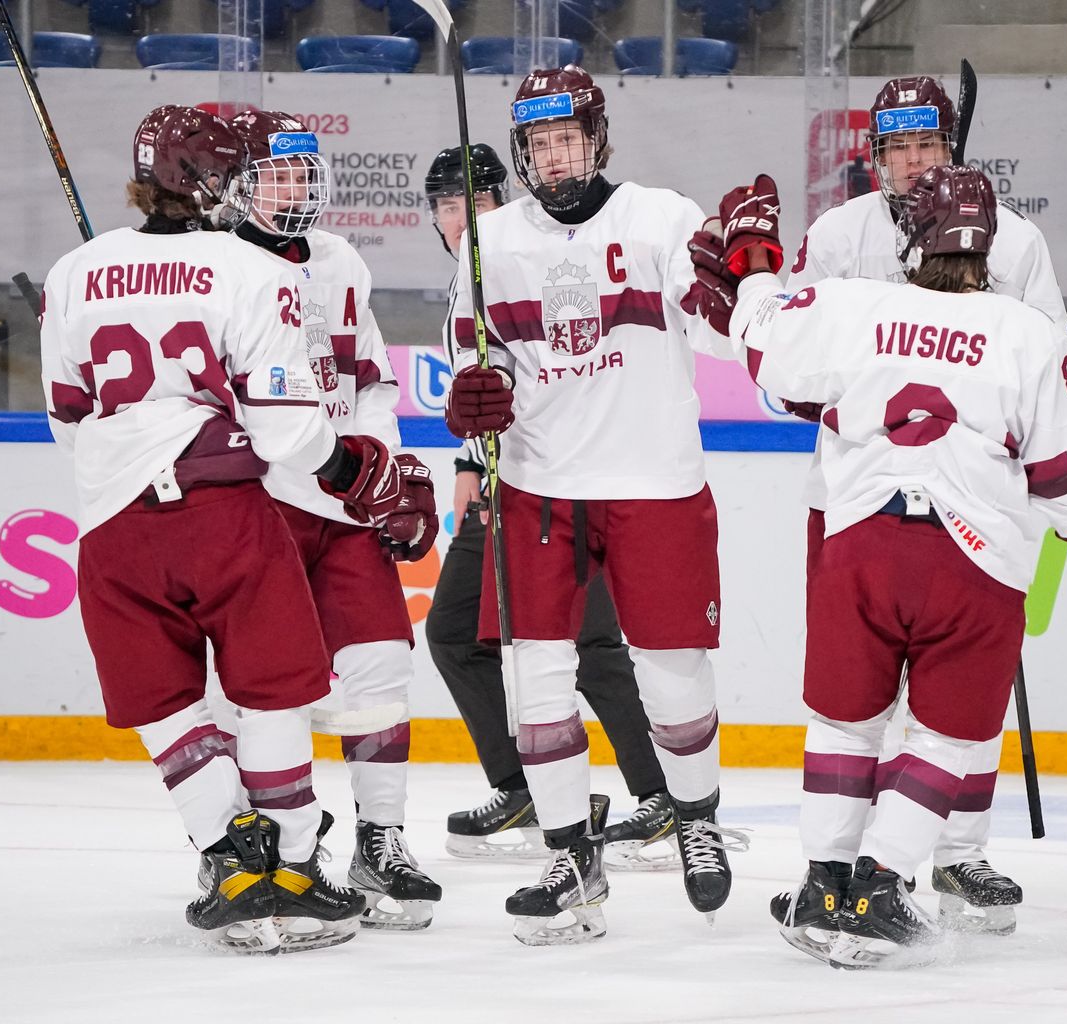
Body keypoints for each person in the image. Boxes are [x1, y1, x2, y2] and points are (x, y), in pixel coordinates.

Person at [687, 166, 1067, 968]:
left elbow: (764, 347)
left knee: (845, 722)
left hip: (860, 541)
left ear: (911, 239)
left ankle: (822, 880)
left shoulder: (856, 304)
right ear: (989, 245)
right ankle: (883, 880)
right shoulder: (1029, 333)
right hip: (974, 559)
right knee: (948, 735)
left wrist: (755, 267)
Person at [38, 106, 411, 952]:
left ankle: (226, 858)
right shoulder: (246, 267)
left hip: (109, 524)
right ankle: (291, 865)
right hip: (223, 513)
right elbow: (286, 430)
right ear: (202, 182)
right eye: (239, 170)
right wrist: (356, 472)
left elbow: (63, 416)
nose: (252, 184)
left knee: (166, 701)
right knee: (272, 686)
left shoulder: (73, 272)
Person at [443, 66, 748, 944]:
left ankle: (694, 818)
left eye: (568, 137)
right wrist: (477, 397)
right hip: (541, 486)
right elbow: (482, 357)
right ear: (522, 151)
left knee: (671, 671)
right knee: (533, 675)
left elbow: (724, 334)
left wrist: (748, 271)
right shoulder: (490, 241)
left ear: (598, 138)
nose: (554, 154)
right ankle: (573, 854)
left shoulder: (661, 217)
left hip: (655, 483)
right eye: (538, 142)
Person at [780, 75, 1067, 936]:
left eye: (929, 148)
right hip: (846, 499)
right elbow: (785, 378)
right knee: (856, 693)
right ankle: (853, 869)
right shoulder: (838, 235)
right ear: (873, 157)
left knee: (957, 695)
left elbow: (1051, 358)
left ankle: (957, 854)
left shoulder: (1016, 242)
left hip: (979, 498)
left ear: (953, 153)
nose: (913, 164)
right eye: (897, 148)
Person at [421, 141, 678, 871]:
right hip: (503, 489)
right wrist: (470, 462)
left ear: (507, 203)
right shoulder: (465, 281)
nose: (457, 216)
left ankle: (661, 795)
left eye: (472, 201)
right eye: (444, 204)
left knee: (592, 646)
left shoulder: (542, 259)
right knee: (452, 633)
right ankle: (524, 785)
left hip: (568, 484)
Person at [226, 109, 443, 930]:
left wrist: (386, 473)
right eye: (278, 172)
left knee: (384, 670)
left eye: (303, 171)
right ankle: (283, 851)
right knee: (263, 694)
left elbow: (372, 381)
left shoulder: (340, 259)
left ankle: (379, 843)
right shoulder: (217, 266)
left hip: (344, 503)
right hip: (260, 505)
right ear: (241, 183)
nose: (296, 187)